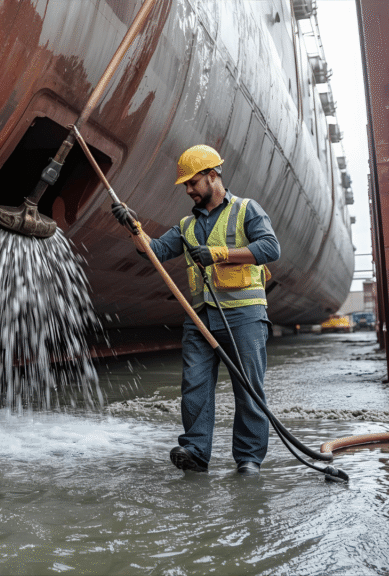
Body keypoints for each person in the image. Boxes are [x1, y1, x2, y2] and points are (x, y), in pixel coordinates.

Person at [111, 145, 280, 476]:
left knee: (248, 388)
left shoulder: (247, 210)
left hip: (244, 314)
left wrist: (219, 253)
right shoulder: (187, 225)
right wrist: (134, 228)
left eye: (193, 183)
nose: (188, 190)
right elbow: (155, 251)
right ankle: (195, 452)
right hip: (200, 317)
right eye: (186, 185)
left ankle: (248, 459)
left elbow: (270, 247)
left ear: (213, 176)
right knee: (195, 385)